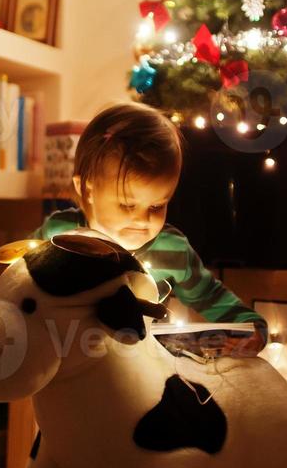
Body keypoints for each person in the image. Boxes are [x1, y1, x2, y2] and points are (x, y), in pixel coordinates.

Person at [32, 101, 267, 356]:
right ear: (87, 189)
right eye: (127, 204)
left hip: (143, 375)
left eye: (157, 206)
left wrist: (253, 329)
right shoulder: (59, 235)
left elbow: (212, 298)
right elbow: (16, 282)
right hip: (70, 366)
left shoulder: (172, 250)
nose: (143, 220)